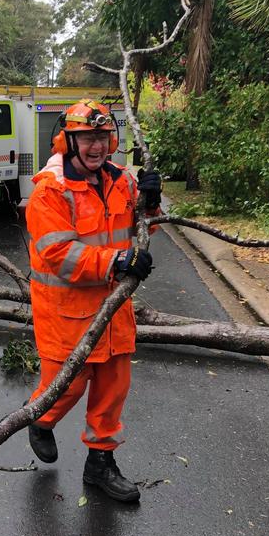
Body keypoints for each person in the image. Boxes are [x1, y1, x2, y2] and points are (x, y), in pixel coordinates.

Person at [25, 100, 162, 503]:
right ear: (69, 141)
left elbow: (143, 228)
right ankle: (40, 420)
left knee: (113, 386)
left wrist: (152, 203)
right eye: (87, 138)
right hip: (65, 312)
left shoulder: (121, 180)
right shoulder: (51, 192)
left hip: (114, 307)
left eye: (102, 137)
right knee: (66, 386)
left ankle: (100, 463)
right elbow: (59, 255)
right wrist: (117, 261)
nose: (97, 146)